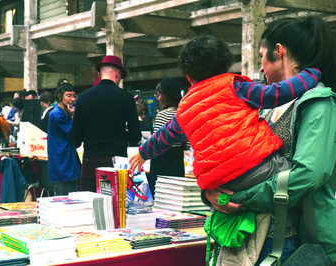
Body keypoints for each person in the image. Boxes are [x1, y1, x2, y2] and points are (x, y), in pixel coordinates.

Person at [204, 16, 336, 264]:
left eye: (262, 56)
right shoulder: (264, 106)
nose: (261, 68)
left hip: (288, 241)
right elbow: (232, 156)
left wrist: (240, 197)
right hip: (247, 236)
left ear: (279, 51)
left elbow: (309, 173)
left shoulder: (318, 103)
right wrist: (210, 191)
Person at [130, 34, 320, 193]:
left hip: (220, 184)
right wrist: (311, 74)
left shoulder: (185, 108)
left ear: (189, 77)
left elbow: (165, 136)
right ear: (226, 68)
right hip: (260, 169)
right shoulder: (236, 87)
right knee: (295, 176)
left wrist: (143, 153)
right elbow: (277, 93)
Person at [72, 55, 142, 192]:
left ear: (100, 73)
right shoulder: (126, 98)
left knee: (89, 205)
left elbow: (76, 137)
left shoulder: (83, 97)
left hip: (91, 161)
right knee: (116, 207)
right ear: (117, 73)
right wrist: (120, 135)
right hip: (117, 163)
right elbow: (135, 136)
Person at [148, 78, 185, 198]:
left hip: (161, 166)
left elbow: (155, 144)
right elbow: (188, 145)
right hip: (178, 166)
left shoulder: (162, 115)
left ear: (166, 96)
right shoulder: (183, 114)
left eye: (159, 95)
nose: (158, 99)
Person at [47, 82, 80, 195]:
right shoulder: (56, 114)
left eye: (73, 96)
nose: (72, 99)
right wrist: (74, 117)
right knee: (64, 193)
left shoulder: (64, 111)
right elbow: (71, 131)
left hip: (66, 154)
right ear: (60, 96)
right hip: (61, 156)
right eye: (68, 95)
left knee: (72, 191)